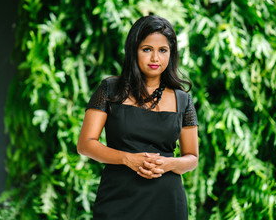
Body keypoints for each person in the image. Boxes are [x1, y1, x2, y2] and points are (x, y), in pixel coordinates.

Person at [77, 15, 199, 220]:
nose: (155, 59)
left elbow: (192, 158)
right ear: (134, 51)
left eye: (163, 50)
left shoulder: (183, 100)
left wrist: (168, 164)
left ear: (171, 53)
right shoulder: (110, 89)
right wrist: (127, 159)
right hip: (118, 200)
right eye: (147, 49)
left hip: (167, 203)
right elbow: (85, 144)